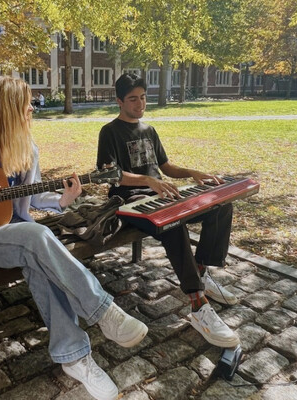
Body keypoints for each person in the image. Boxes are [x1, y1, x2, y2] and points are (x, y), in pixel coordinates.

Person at [0, 76, 147, 400]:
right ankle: (102, 311)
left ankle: (76, 358)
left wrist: (63, 201)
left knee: (35, 251)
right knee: (35, 238)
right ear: (10, 107)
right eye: (25, 105)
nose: (30, 110)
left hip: (18, 235)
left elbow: (33, 198)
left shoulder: (28, 147)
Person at [96, 73, 239, 349]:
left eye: (143, 97)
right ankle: (198, 305)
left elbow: (166, 168)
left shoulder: (148, 130)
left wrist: (192, 173)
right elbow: (108, 176)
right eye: (133, 99)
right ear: (119, 101)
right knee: (173, 224)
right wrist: (148, 181)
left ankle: (200, 273)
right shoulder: (109, 132)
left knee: (219, 208)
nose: (140, 104)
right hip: (130, 201)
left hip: (161, 194)